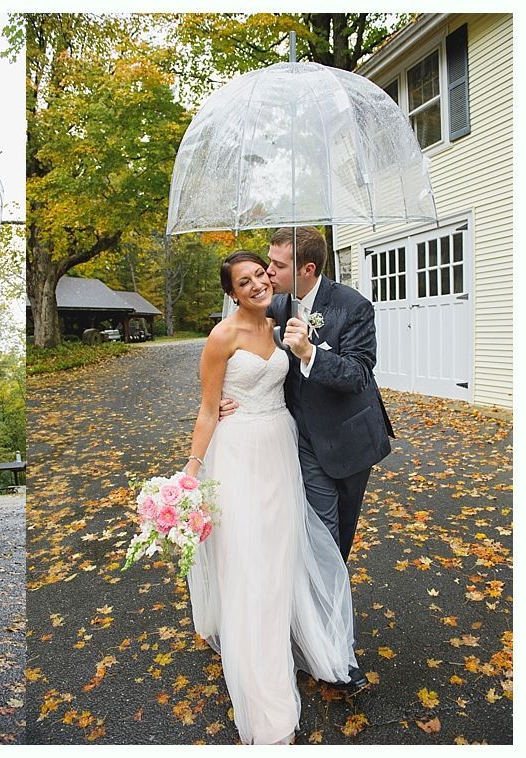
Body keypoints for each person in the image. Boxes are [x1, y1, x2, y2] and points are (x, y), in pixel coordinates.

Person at [183, 251, 356, 745]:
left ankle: (286, 634)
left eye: (262, 274)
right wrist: (191, 471)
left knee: (281, 550)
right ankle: (262, 683)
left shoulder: (284, 321)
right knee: (248, 559)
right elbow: (207, 409)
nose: (258, 284)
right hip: (238, 452)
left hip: (281, 446)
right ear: (232, 293)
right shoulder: (222, 337)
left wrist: (305, 348)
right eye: (245, 281)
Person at [223, 227, 394, 692]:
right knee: (318, 545)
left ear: (308, 269)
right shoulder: (271, 304)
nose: (267, 274)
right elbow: (231, 351)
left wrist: (310, 352)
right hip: (301, 446)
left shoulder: (352, 306)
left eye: (275, 266)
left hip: (353, 442)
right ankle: (334, 656)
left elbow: (359, 373)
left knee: (338, 546)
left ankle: (315, 626)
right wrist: (224, 398)